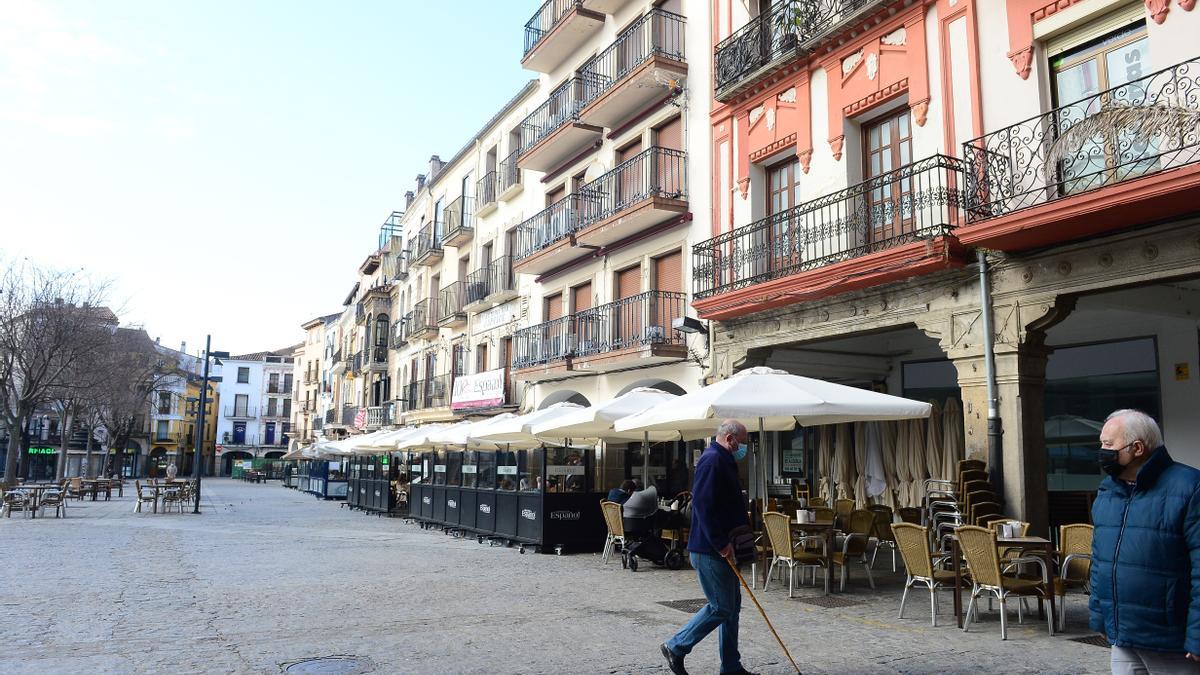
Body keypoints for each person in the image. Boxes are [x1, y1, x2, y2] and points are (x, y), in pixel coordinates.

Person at [1090, 409, 1200, 674]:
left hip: (1170, 641)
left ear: (1137, 448)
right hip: (1123, 638)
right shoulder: (1107, 492)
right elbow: (1099, 561)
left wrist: (1197, 635)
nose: (1102, 451)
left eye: (1108, 444)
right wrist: (1100, 617)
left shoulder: (1189, 487)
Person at [662, 420, 755, 675]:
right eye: (743, 441)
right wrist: (721, 543)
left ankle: (731, 666)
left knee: (732, 607)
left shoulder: (722, 459)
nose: (744, 447)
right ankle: (676, 645)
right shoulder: (712, 460)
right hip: (711, 549)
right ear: (729, 438)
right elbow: (702, 506)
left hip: (721, 547)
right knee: (721, 606)